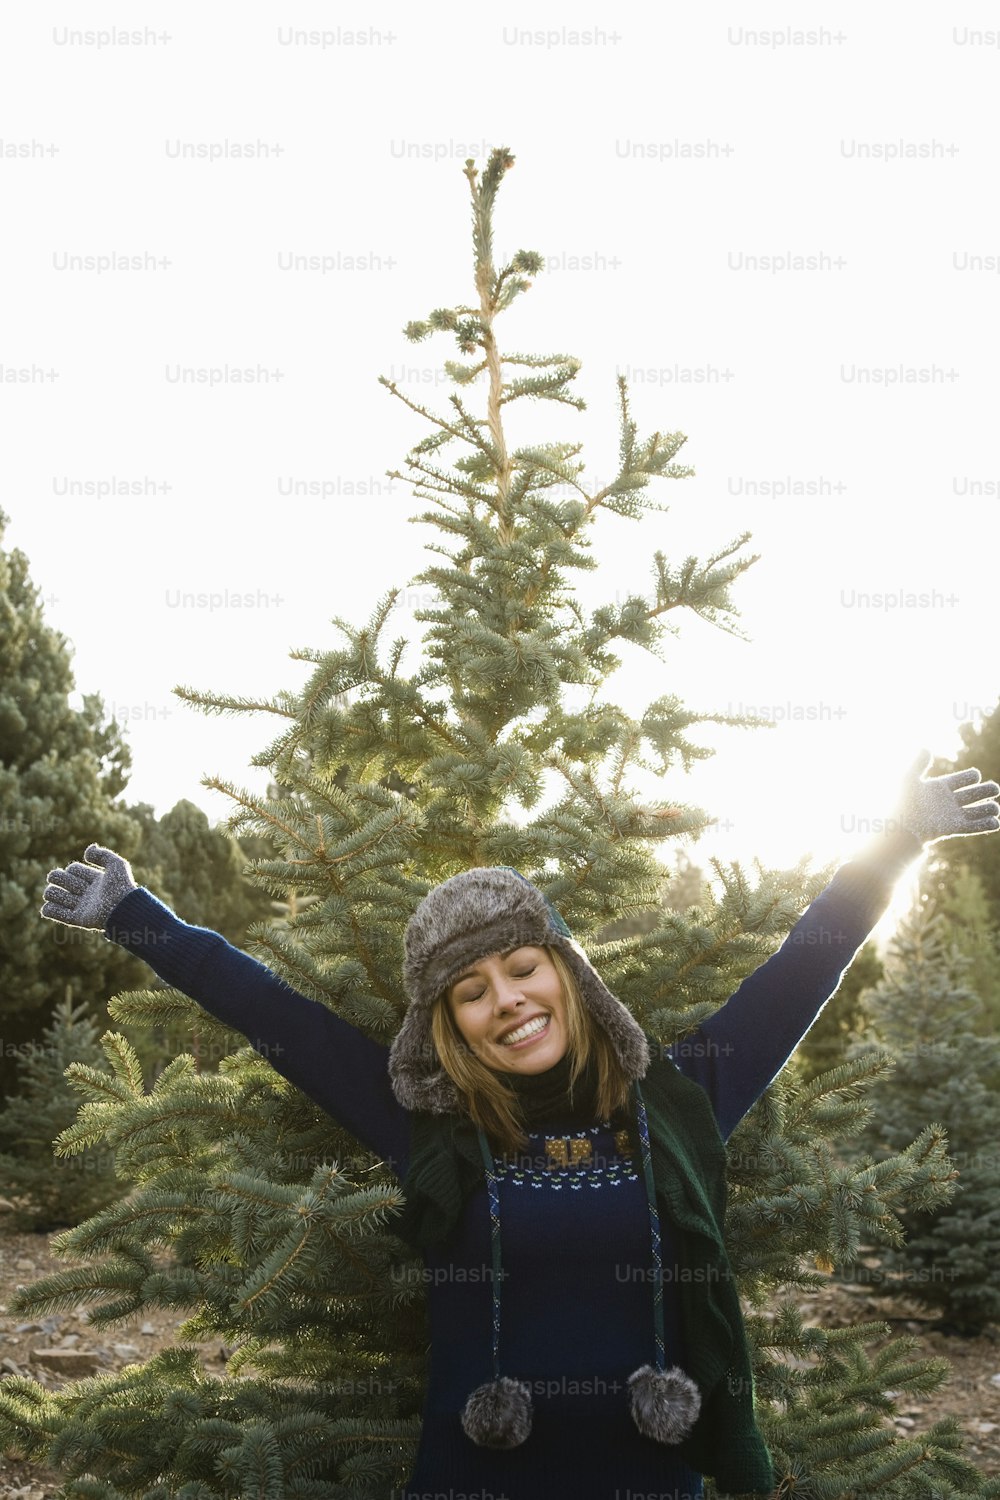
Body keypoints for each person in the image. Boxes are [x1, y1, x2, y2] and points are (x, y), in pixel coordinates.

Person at [40, 752, 1000, 1500]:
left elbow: (804, 967)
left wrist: (897, 842)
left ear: (568, 973)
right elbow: (280, 1019)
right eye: (470, 990)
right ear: (447, 1023)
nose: (506, 1000)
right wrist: (137, 916)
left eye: (523, 968)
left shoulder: (678, 1101)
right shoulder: (430, 1124)